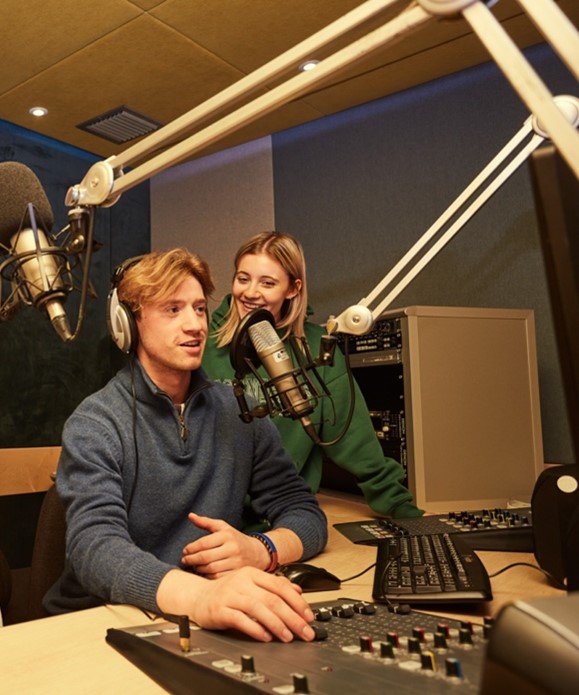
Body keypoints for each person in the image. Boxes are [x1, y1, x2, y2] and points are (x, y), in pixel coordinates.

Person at [44, 248, 327, 643]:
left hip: (198, 617)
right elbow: (96, 549)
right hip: (101, 623)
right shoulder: (96, 424)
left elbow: (303, 512)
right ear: (129, 323)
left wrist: (262, 549)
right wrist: (202, 596)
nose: (194, 324)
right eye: (172, 310)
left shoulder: (238, 410)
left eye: (198, 308)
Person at [203, 231, 423, 520]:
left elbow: (359, 446)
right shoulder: (202, 344)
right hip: (210, 514)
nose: (250, 292)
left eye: (267, 283)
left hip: (283, 517)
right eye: (243, 278)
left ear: (293, 289)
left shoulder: (317, 351)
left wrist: (405, 512)